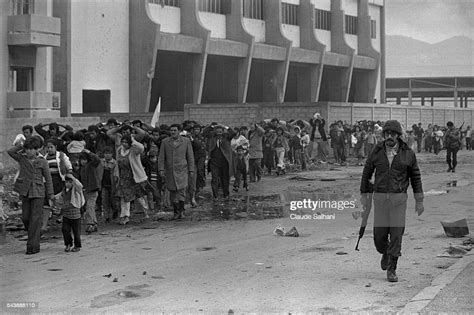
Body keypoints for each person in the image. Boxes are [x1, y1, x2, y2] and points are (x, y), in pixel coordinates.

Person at [360, 120, 424, 282]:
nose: (389, 137)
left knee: (396, 235)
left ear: (398, 136)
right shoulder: (377, 150)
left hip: (399, 201)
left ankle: (392, 268)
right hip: (380, 200)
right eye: (387, 134)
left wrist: (419, 200)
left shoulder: (408, 153)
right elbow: (367, 172)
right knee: (379, 237)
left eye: (392, 134)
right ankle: (386, 252)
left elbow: (415, 177)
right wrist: (364, 193)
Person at [8, 137, 54, 255]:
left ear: (37, 149)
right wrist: (21, 144)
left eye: (31, 149)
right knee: (25, 217)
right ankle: (35, 234)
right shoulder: (22, 158)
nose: (29, 151)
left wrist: (51, 194)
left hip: (38, 192)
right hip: (25, 191)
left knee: (35, 218)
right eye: (27, 149)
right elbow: (10, 151)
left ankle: (32, 247)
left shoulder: (42, 161)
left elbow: (48, 179)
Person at [159, 124, 195, 219]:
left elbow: (190, 157)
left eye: (175, 130)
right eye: (171, 130)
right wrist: (161, 169)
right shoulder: (165, 142)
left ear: (179, 131)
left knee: (182, 190)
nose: (173, 132)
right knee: (173, 191)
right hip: (170, 170)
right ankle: (175, 212)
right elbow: (161, 157)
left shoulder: (186, 141)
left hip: (182, 170)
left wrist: (191, 170)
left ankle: (182, 211)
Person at [114, 134, 150, 225]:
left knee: (139, 195)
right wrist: (116, 175)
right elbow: (117, 163)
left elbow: (141, 148)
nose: (124, 144)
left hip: (134, 177)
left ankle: (146, 211)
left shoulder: (134, 151)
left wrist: (133, 140)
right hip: (123, 177)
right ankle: (125, 216)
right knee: (125, 197)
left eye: (126, 142)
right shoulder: (119, 150)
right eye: (123, 142)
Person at [53, 174, 85, 252]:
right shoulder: (64, 190)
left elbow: (80, 186)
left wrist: (73, 178)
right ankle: (68, 244)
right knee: (65, 230)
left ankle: (77, 245)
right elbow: (59, 196)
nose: (67, 184)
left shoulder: (76, 189)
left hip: (75, 214)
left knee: (76, 231)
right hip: (66, 213)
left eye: (69, 182)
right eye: (66, 182)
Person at [203, 124, 235, 201]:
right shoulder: (212, 137)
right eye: (217, 132)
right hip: (214, 161)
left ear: (223, 132)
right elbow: (204, 132)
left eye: (220, 132)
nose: (219, 133)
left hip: (225, 161)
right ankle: (215, 195)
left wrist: (226, 126)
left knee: (225, 178)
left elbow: (233, 133)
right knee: (214, 178)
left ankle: (226, 194)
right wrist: (212, 126)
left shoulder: (227, 137)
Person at [77, 149, 101, 233]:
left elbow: (97, 159)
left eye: (84, 159)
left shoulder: (91, 165)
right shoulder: (81, 169)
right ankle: (94, 223)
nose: (83, 162)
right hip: (86, 191)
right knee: (90, 207)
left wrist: (89, 152)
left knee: (89, 207)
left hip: (93, 189)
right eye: (81, 160)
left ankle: (90, 223)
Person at [100, 146, 118, 222]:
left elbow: (116, 174)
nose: (107, 155)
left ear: (112, 154)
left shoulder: (114, 163)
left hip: (112, 184)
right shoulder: (101, 162)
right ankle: (106, 216)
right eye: (106, 153)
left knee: (113, 200)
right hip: (104, 184)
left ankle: (115, 211)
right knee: (104, 200)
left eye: (109, 153)